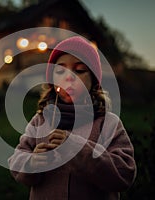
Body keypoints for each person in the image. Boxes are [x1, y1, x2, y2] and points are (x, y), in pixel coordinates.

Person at [8, 36, 136, 200]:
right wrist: (31, 163)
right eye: (60, 70)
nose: (69, 77)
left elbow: (124, 174)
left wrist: (77, 149)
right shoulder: (40, 121)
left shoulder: (108, 124)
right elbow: (17, 159)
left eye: (80, 70)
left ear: (94, 82)